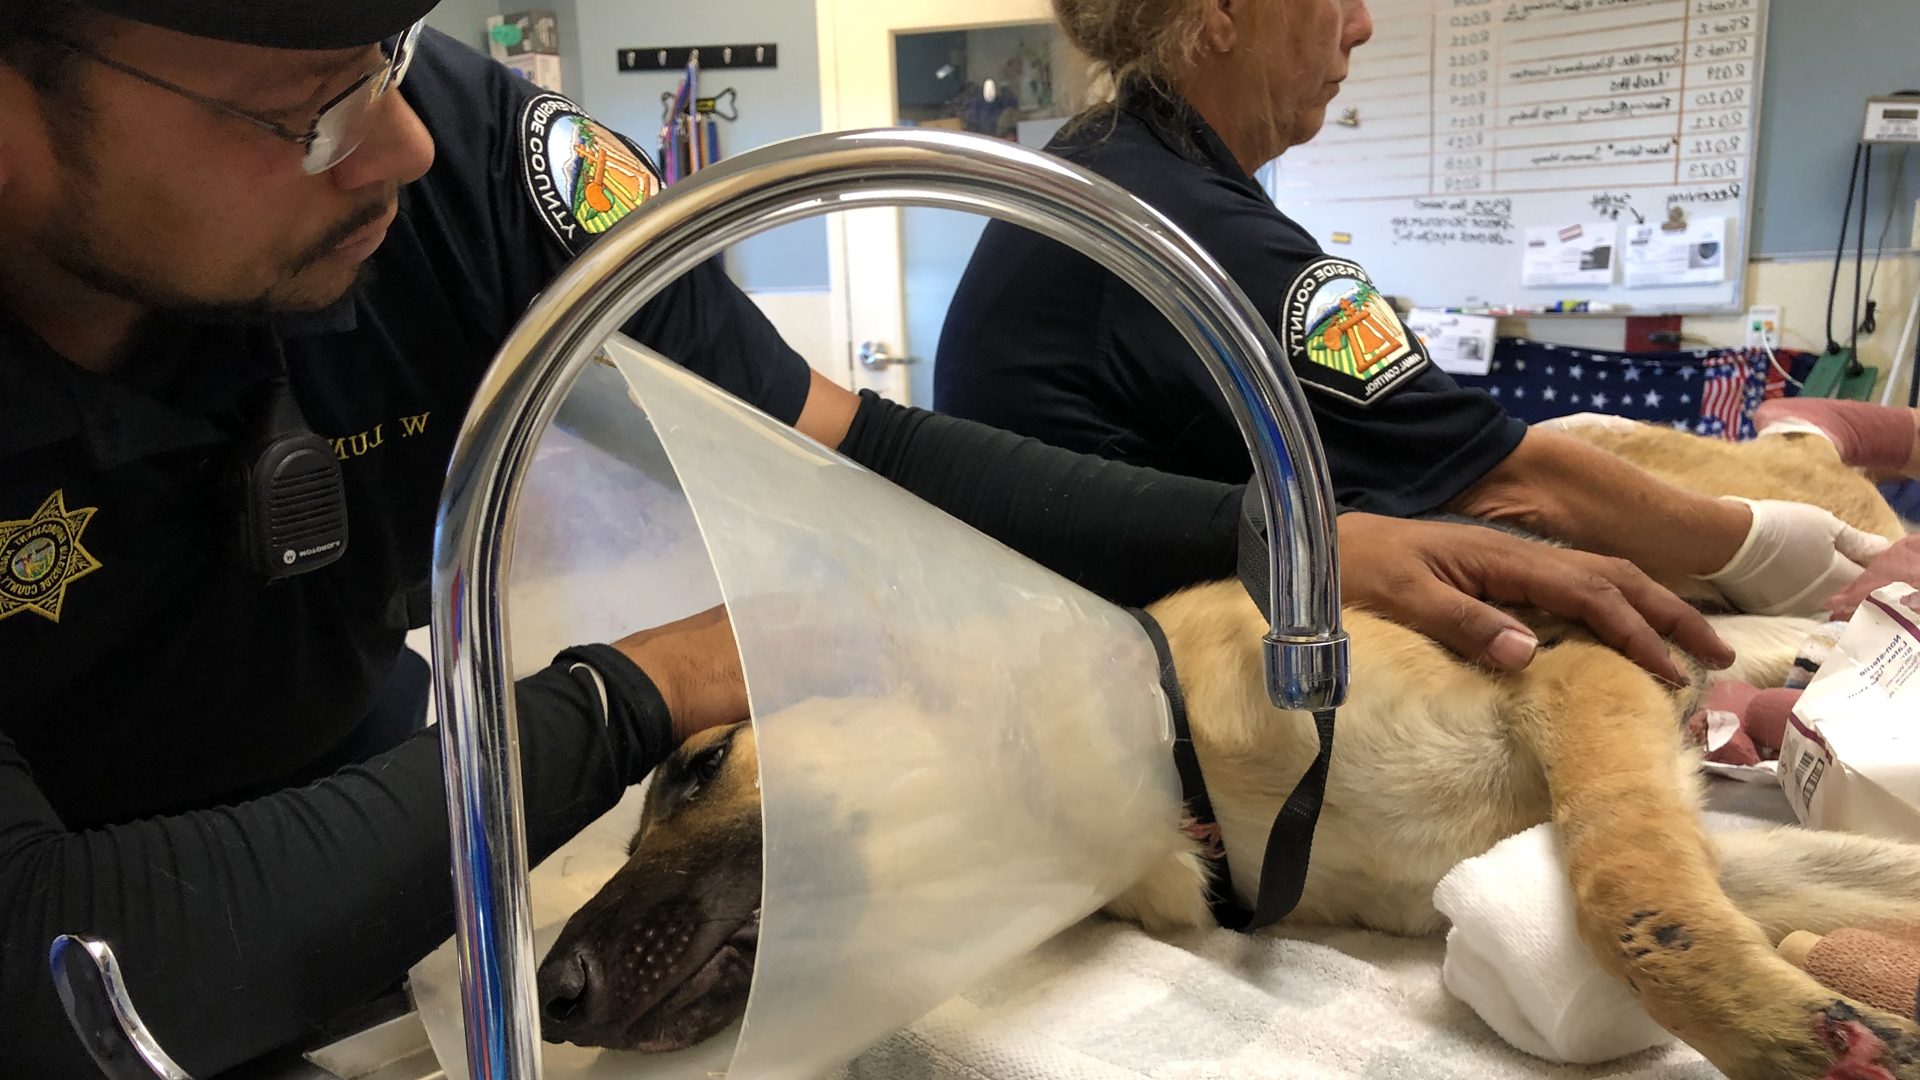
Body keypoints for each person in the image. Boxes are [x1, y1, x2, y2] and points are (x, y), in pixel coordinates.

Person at [0, 2, 1761, 1075]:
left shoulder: (451, 154)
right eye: (298, 105)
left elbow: (845, 439)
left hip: (373, 841)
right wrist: (637, 695)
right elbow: (64, 959)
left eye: (387, 50)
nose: (388, 134)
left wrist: (1291, 536)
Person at [934, 0, 1888, 631]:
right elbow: (1512, 485)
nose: (1361, 26)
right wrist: (1778, 553)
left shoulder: (1118, 168)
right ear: (1221, 13)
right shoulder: (1188, 226)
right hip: (1148, 685)